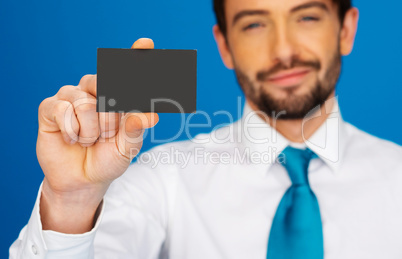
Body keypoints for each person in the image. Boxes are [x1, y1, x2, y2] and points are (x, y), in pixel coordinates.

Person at [9, 0, 402, 258]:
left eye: (307, 17)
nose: (283, 50)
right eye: (253, 25)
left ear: (346, 30)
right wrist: (71, 202)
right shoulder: (162, 177)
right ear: (225, 46)